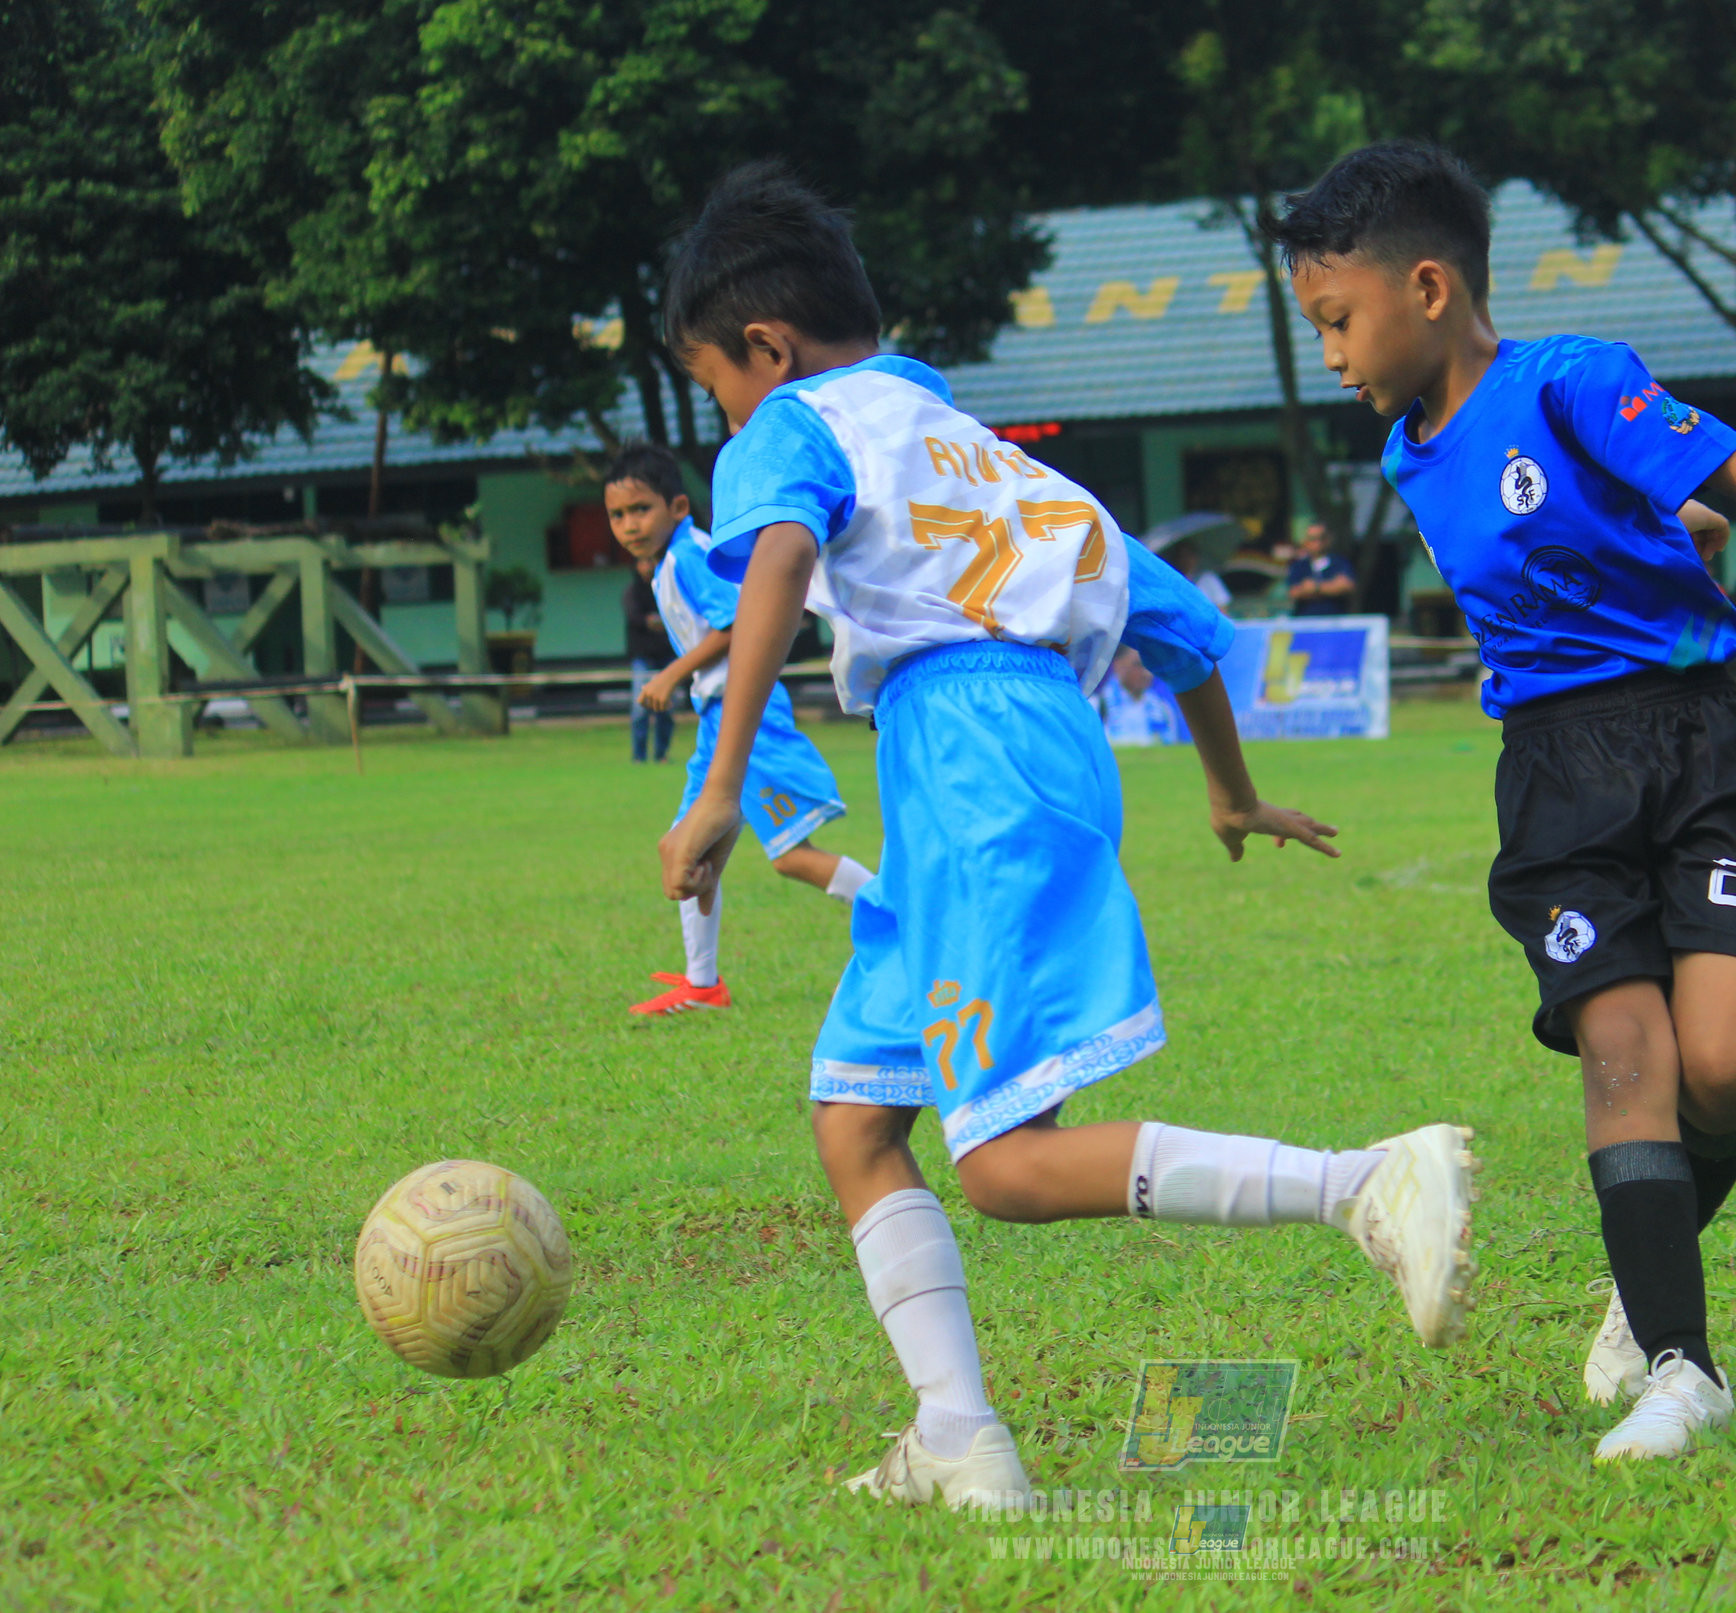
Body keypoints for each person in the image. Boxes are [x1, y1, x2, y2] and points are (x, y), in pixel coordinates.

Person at [655, 162, 1479, 1510]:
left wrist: (715, 787)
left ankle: (1362, 1185)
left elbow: (782, 568)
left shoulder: (790, 426)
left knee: (1004, 1164)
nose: (725, 419)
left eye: (715, 390)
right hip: (1002, 760)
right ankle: (956, 1432)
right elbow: (1189, 639)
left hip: (970, 763)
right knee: (856, 1114)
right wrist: (1226, 791)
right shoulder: (991, 460)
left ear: (764, 347)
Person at [1274, 141, 1736, 1462]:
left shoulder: (1568, 379)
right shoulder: (1409, 460)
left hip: (1704, 749)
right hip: (1556, 775)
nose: (1332, 355)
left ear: (1425, 287)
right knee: (1624, 1053)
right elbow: (1557, 561)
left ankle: (1643, 1287)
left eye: (1337, 320)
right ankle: (1680, 1364)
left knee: (1722, 1067)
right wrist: (1655, 546)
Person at [606, 441, 871, 1017]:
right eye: (618, 515)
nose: (629, 525)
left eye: (640, 510)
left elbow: (738, 627)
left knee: (790, 857)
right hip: (714, 718)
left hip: (743, 714)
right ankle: (704, 986)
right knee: (686, 848)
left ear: (678, 507)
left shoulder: (691, 557)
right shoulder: (668, 564)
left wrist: (672, 673)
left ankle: (902, 918)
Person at [624, 553, 676, 762]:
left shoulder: (665, 588)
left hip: (667, 658)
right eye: (643, 562)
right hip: (643, 658)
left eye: (650, 562)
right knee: (640, 709)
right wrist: (656, 621)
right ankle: (639, 756)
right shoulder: (632, 592)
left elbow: (674, 615)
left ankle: (661, 754)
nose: (647, 567)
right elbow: (636, 618)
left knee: (665, 709)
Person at [1096, 645, 1183, 745]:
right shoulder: (1098, 706)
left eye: (1150, 666)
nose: (1147, 674)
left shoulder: (1164, 709)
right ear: (1118, 665)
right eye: (1138, 665)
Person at [1286, 521, 1355, 615]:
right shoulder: (1299, 565)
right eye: (1311, 539)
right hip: (1306, 621)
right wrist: (1331, 587)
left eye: (1319, 538)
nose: (1315, 543)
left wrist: (1316, 587)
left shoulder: (1339, 562)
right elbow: (1294, 592)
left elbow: (1346, 586)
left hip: (1335, 621)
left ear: (1327, 540)